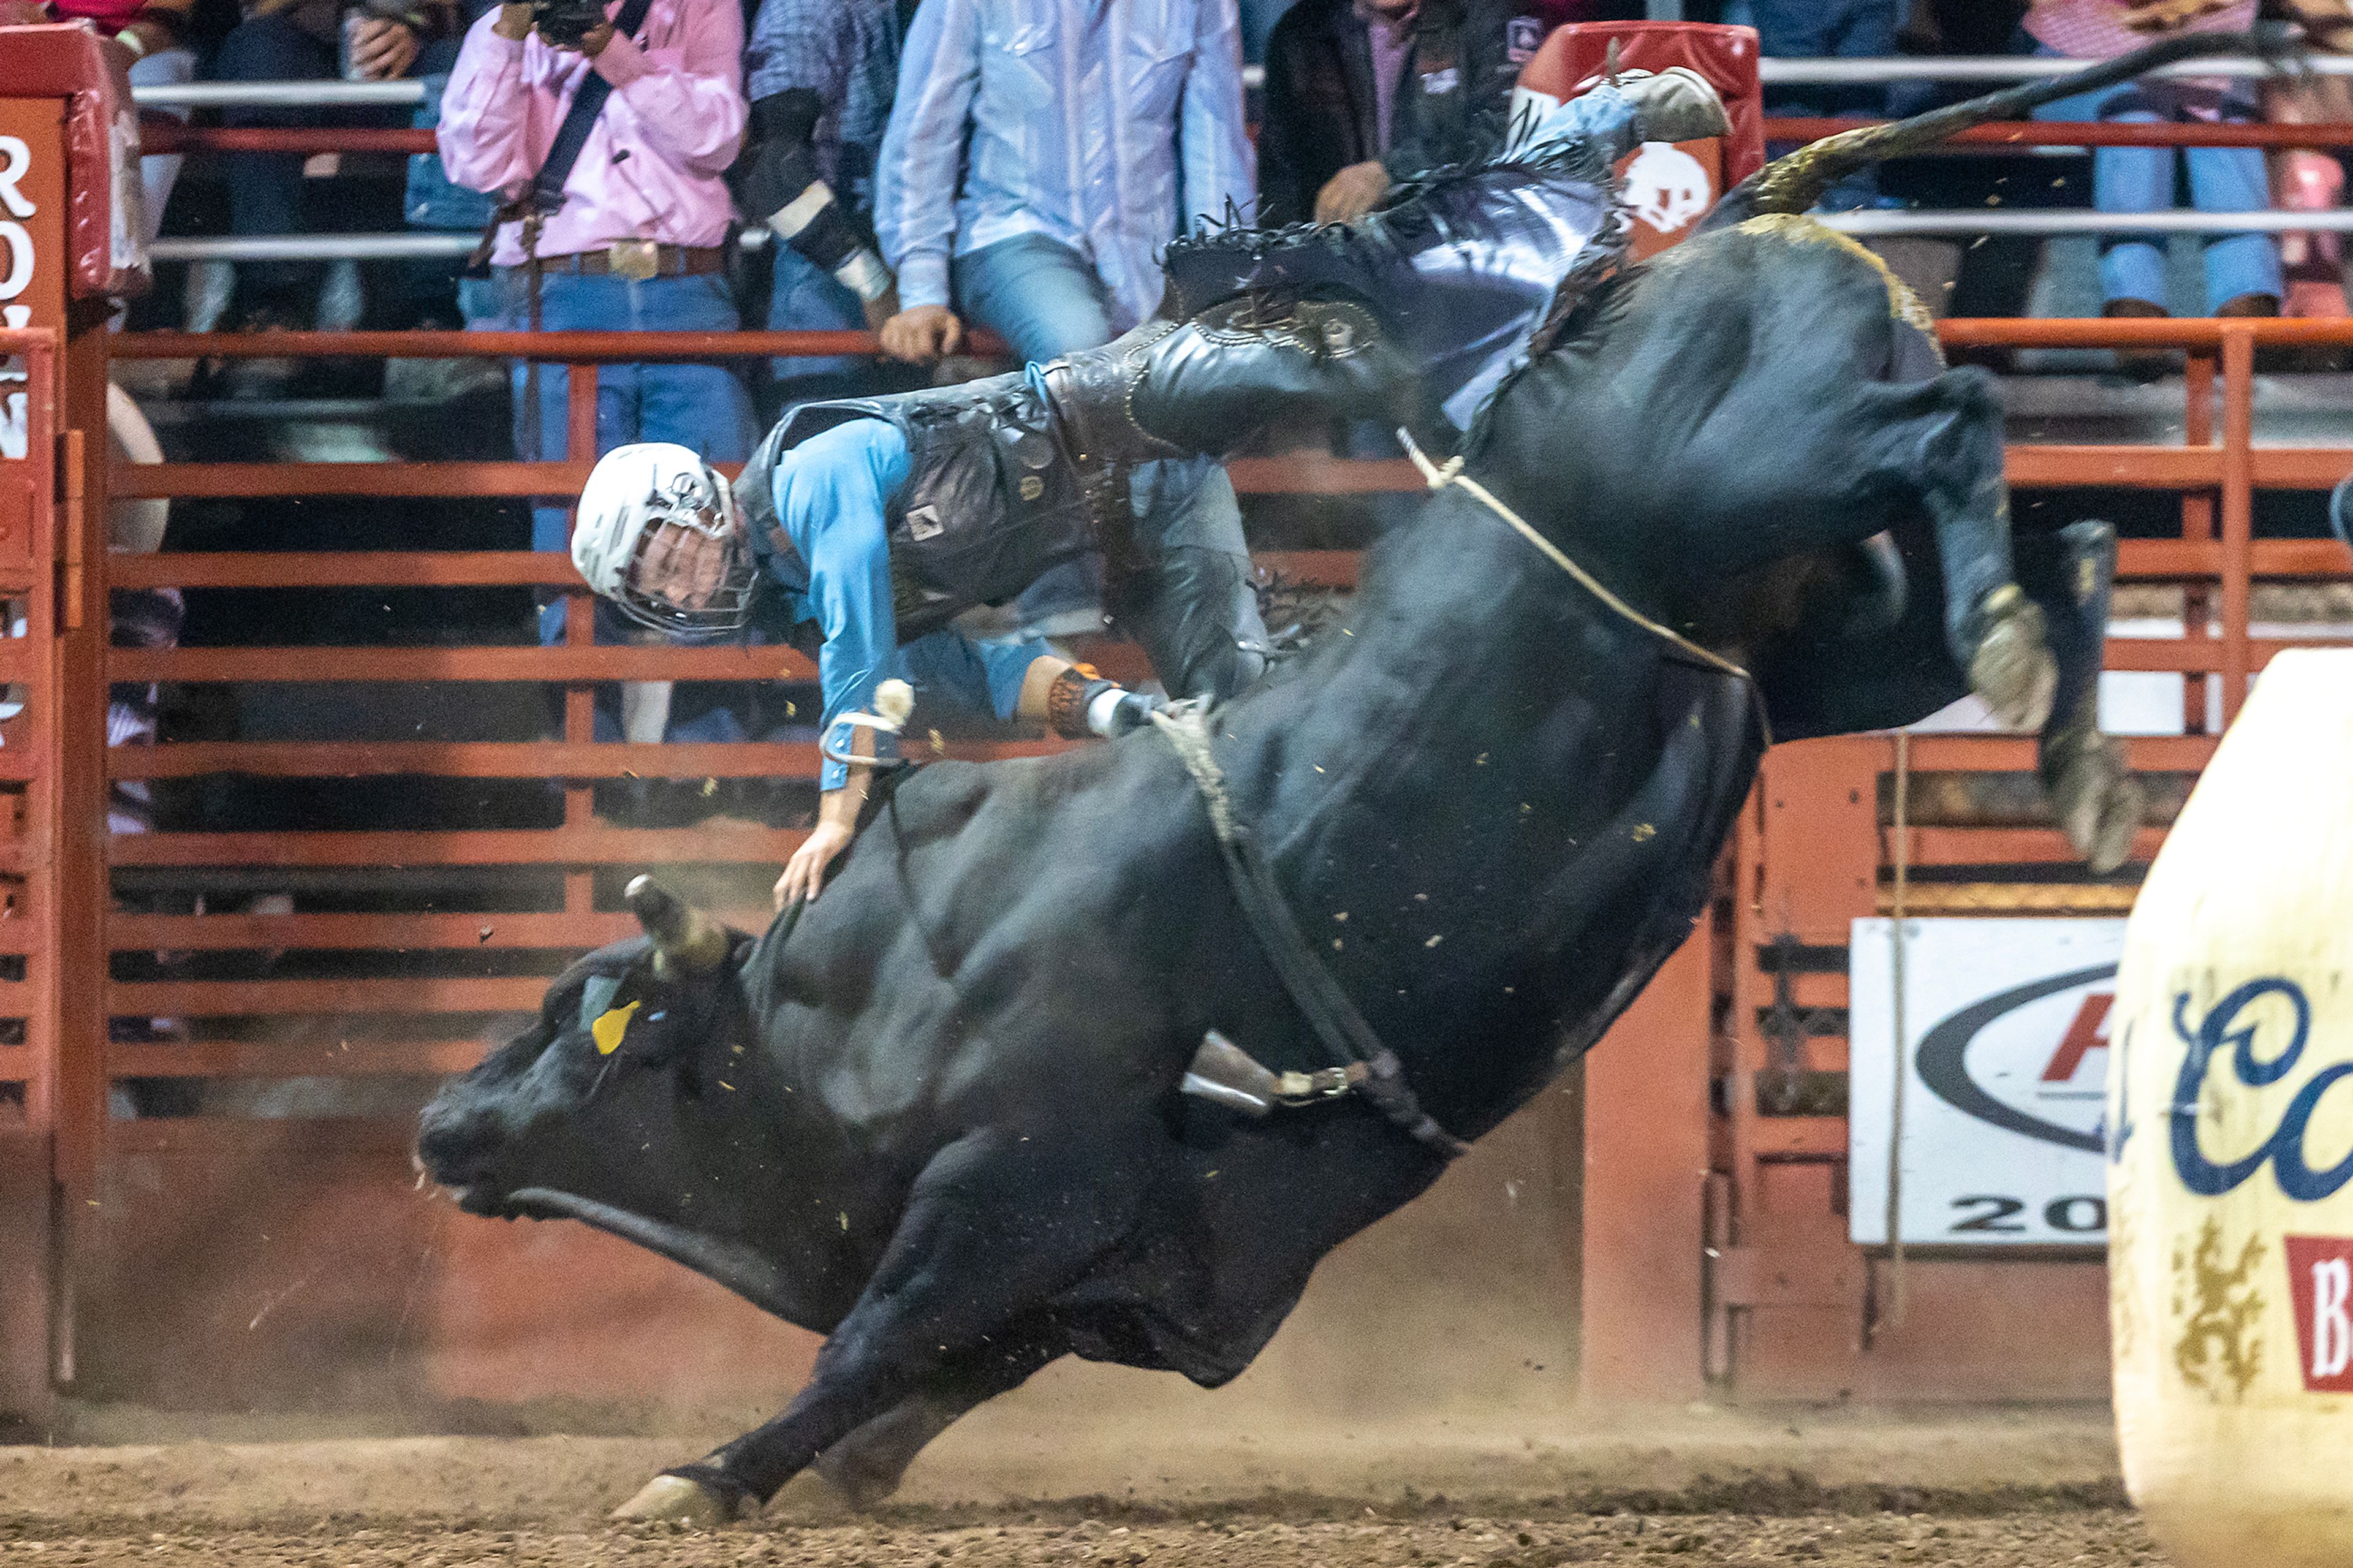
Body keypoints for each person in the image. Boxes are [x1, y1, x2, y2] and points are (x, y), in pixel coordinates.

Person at [569, 302, 1415, 904]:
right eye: (660, 586)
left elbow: (858, 640)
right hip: (1138, 529)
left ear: (699, 498)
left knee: (1332, 345)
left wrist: (837, 812)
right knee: (1240, 753)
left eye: (674, 552)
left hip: (1133, 425)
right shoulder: (793, 601)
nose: (684, 585)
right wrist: (1115, 713)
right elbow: (963, 673)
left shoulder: (807, 474)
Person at [871, 0, 1255, 643]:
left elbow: (1217, 141)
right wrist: (921, 288)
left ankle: (1212, 631)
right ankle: (1063, 602)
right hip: (1013, 236)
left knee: (1183, 391)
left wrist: (1226, 290)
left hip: (1142, 257)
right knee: (1079, 344)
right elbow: (923, 130)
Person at [438, 0, 759, 751]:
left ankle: (705, 772)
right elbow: (477, 165)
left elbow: (716, 137)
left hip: (687, 285)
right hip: (567, 288)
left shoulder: (700, 5)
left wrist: (612, 50)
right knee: (574, 537)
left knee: (714, 524)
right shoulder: (502, 27)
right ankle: (586, 769)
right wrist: (514, 27)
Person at [205, 0, 463, 347]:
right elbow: (261, 10)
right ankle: (271, 303)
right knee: (258, 50)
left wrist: (407, 27)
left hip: (410, 45)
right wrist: (344, 15)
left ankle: (433, 313)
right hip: (299, 42)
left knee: (455, 66)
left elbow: (450, 11)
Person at [2026, 0, 2283, 323]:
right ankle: (2134, 301)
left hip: (2204, 50)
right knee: (2138, 116)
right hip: (2085, 50)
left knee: (2224, 118)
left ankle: (2248, 297)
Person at [737, 0, 911, 404]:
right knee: (828, 448)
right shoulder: (805, 9)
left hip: (911, 265)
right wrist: (874, 284)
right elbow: (772, 170)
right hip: (832, 266)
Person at [1281, 0, 1561, 227]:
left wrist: (1390, 174)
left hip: (1466, 254)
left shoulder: (1498, 12)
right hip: (1341, 270)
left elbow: (1512, 132)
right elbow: (1282, 186)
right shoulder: (1300, 34)